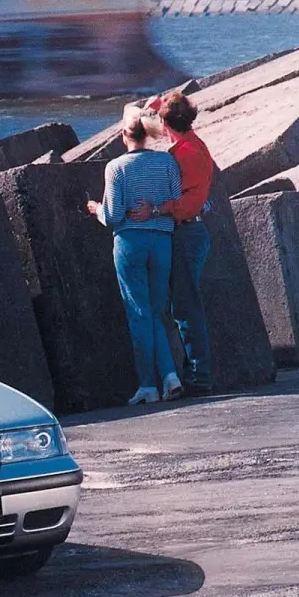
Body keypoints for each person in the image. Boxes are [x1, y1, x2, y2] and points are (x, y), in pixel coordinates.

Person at [87, 111, 183, 405]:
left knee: (138, 313)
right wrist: (155, 209)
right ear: (147, 134)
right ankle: (170, 376)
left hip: (131, 242)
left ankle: (147, 386)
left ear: (123, 136)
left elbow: (114, 216)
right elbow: (176, 200)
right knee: (156, 312)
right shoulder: (167, 161)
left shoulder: (116, 167)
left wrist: (95, 209)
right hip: (162, 241)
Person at [127, 92, 215, 395]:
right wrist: (154, 106)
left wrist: (156, 209)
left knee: (186, 308)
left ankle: (200, 376)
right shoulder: (191, 144)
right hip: (191, 233)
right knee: (183, 306)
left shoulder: (186, 154)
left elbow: (190, 203)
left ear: (165, 122)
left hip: (187, 234)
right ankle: (195, 373)